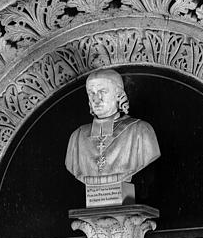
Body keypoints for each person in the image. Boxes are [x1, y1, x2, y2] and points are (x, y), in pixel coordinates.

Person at [65, 68, 160, 206]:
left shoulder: (140, 131)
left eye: (103, 92)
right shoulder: (77, 137)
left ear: (118, 95)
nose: (96, 99)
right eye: (91, 93)